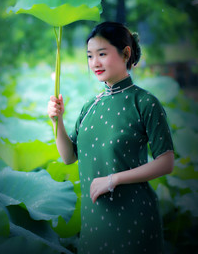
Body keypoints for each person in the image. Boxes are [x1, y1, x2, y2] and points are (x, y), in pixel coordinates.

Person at [48, 21, 174, 254]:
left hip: (134, 221)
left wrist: (112, 179)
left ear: (126, 53)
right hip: (94, 224)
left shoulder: (145, 103)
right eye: (89, 56)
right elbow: (68, 157)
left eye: (102, 54)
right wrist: (57, 121)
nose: (94, 63)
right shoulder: (90, 106)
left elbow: (166, 162)